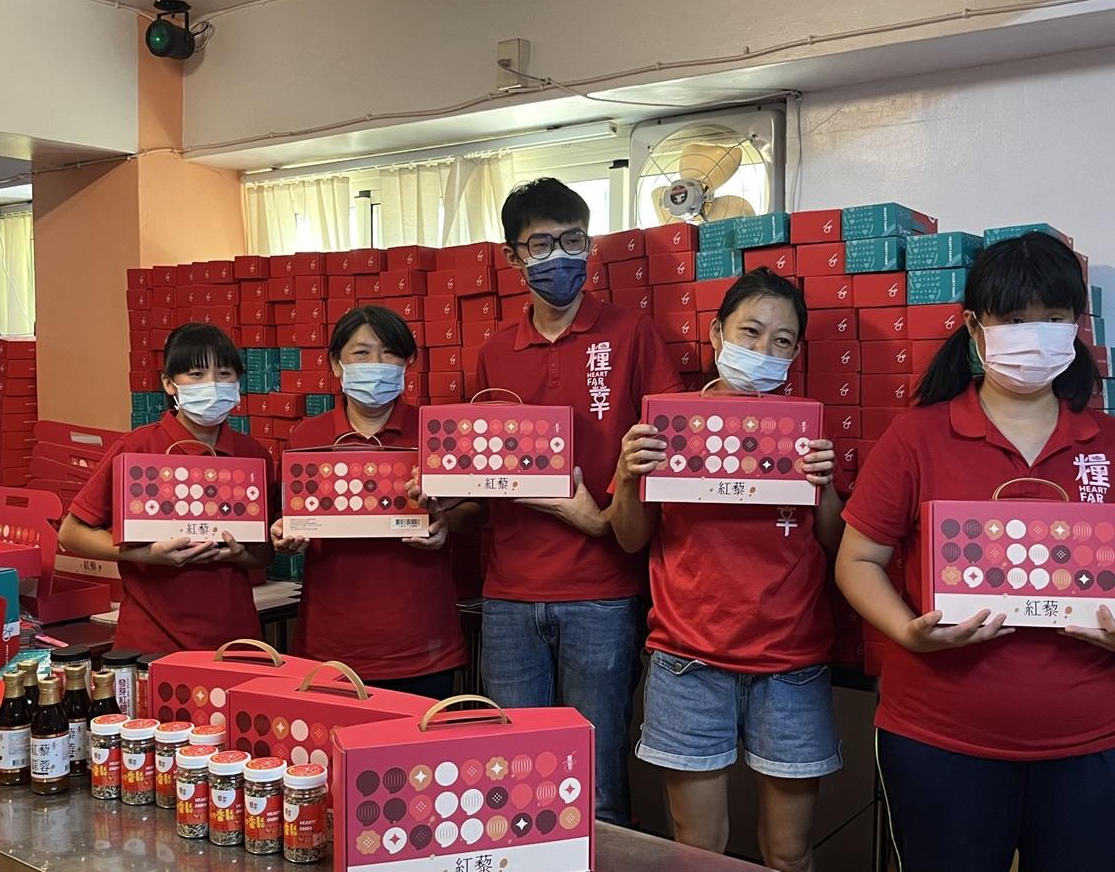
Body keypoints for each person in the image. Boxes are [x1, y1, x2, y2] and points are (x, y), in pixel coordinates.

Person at [835, 232, 1115, 872]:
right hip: (940, 739)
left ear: (1077, 327)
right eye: (1014, 320)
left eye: (1054, 318)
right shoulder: (916, 437)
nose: (1035, 336)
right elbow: (858, 560)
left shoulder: (1108, 442)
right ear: (973, 327)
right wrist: (907, 631)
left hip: (1093, 741)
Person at [607, 270, 842, 871]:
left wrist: (826, 486)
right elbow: (630, 537)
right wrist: (629, 476)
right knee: (698, 848)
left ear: (796, 353)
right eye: (750, 332)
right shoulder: (668, 425)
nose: (764, 350)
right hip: (688, 659)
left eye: (782, 341)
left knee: (789, 850)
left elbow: (836, 544)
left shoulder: (805, 432)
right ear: (716, 334)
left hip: (790, 662)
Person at [474, 178, 683, 825]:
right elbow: (479, 463)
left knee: (595, 784)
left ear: (589, 245)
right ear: (512, 256)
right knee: (514, 780)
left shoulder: (630, 331)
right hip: (509, 594)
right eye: (540, 245)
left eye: (572, 241)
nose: (558, 257)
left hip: (603, 592)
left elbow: (666, 445)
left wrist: (599, 514)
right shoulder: (494, 351)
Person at [272, 305, 472, 700]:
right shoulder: (305, 438)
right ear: (336, 364)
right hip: (330, 645)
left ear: (408, 363)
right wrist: (283, 533)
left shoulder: (438, 434)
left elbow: (475, 511)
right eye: (362, 353)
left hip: (421, 643)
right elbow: (290, 516)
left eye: (389, 353)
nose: (376, 365)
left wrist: (445, 524)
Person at [59, 323, 274, 652]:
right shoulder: (138, 449)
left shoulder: (253, 455)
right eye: (196, 375)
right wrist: (146, 555)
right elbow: (71, 533)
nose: (212, 385)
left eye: (224, 374)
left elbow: (263, 554)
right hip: (150, 637)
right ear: (169, 384)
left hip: (234, 638)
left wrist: (240, 554)